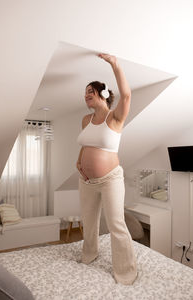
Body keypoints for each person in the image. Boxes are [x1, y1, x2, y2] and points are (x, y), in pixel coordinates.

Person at [76, 53, 137, 285]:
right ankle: (89, 255)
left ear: (102, 94)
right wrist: (79, 161)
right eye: (84, 94)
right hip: (86, 181)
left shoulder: (115, 118)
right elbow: (86, 143)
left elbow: (128, 94)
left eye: (89, 93)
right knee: (89, 222)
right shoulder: (85, 120)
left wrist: (115, 64)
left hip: (110, 179)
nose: (85, 97)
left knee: (116, 224)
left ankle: (126, 271)